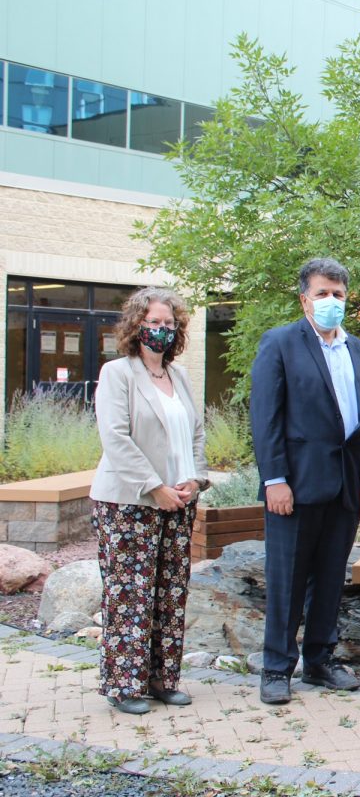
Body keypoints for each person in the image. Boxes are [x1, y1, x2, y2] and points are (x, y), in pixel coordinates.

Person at [250, 257, 360, 705]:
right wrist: (274, 479)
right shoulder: (281, 343)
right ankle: (276, 668)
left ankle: (320, 662)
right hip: (295, 485)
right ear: (304, 299)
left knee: (330, 578)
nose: (331, 301)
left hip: (346, 487)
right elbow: (266, 418)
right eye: (323, 293)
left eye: (339, 294)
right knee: (287, 579)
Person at [90, 287, 208, 715]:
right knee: (130, 593)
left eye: (169, 323)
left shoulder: (180, 377)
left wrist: (195, 479)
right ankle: (124, 685)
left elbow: (196, 433)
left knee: (170, 592)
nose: (161, 330)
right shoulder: (118, 373)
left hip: (179, 501)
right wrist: (154, 486)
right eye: (154, 322)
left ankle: (162, 679)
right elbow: (115, 438)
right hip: (130, 502)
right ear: (137, 325)